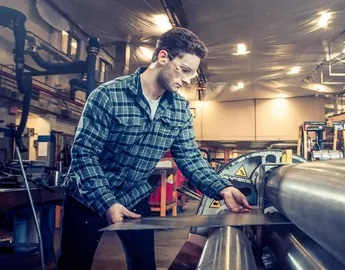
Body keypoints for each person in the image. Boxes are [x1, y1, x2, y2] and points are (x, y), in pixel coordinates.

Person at [57, 27, 252, 270]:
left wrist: (222, 188)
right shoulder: (107, 96)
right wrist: (107, 203)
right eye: (184, 70)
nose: (187, 80)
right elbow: (84, 155)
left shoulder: (179, 109)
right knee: (74, 264)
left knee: (143, 264)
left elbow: (190, 156)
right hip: (86, 198)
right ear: (162, 57)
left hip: (133, 196)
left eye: (192, 74)